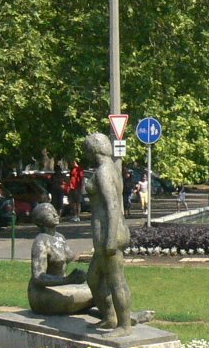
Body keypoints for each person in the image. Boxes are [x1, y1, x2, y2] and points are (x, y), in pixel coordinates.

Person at [83, 132, 133, 336]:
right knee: (93, 278)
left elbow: (112, 204)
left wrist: (110, 239)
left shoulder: (104, 171)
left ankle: (124, 325)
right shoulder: (111, 168)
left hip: (109, 235)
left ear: (93, 150)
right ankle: (110, 317)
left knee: (116, 281)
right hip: (104, 235)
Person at [27, 202, 93, 315]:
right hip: (42, 294)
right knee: (96, 294)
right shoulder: (41, 241)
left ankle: (114, 318)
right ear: (39, 220)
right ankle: (112, 318)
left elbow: (71, 256)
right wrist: (68, 280)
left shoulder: (59, 237)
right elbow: (38, 277)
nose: (55, 214)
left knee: (101, 289)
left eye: (54, 211)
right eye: (49, 213)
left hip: (62, 287)